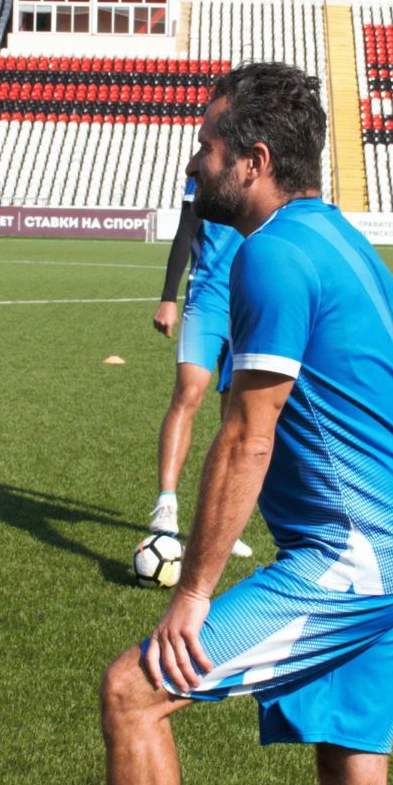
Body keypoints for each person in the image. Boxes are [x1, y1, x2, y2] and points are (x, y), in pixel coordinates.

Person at [20, 63, 393, 785]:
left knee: (134, 688)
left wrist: (195, 591)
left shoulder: (269, 259)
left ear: (253, 159)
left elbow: (245, 435)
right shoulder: (331, 229)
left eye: (208, 145)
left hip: (353, 556)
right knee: (355, 773)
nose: (195, 159)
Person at [149, 174, 251, 559]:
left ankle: (220, 522)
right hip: (207, 298)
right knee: (188, 394)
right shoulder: (206, 172)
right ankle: (166, 505)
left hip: (250, 301)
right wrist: (168, 298)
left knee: (236, 416)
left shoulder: (264, 162)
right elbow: (184, 231)